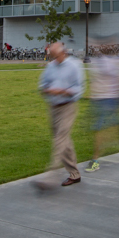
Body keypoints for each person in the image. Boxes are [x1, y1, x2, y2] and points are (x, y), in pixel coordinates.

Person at [34, 41, 85, 189]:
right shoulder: (51, 66)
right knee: (63, 140)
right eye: (52, 56)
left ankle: (50, 177)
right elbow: (43, 85)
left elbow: (79, 89)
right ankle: (75, 174)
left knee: (60, 140)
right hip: (53, 107)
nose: (54, 58)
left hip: (68, 106)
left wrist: (62, 91)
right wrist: (48, 90)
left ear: (63, 52)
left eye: (56, 55)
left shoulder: (74, 65)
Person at [84, 49, 119, 173]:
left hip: (111, 99)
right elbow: (96, 81)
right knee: (116, 125)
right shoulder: (98, 63)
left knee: (100, 129)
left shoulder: (115, 62)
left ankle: (95, 160)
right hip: (102, 99)